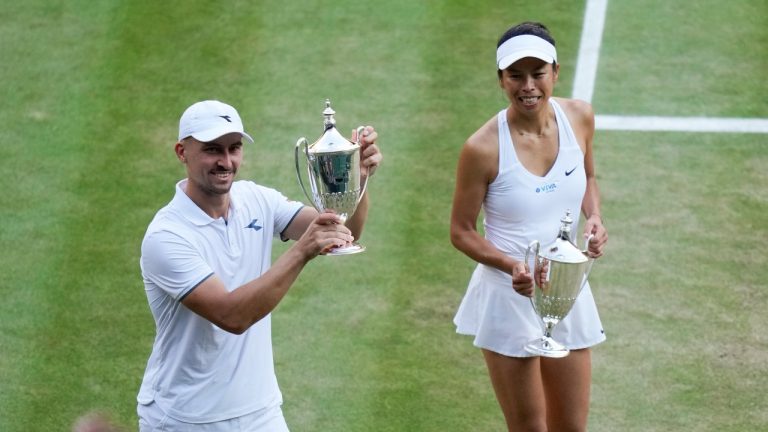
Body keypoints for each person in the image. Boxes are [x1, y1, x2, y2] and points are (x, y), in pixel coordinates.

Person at [137, 100, 381, 431]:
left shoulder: (257, 199)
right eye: (212, 150)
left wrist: (355, 181)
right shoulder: (166, 236)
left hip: (261, 413)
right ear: (182, 152)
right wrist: (301, 251)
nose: (226, 161)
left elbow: (343, 231)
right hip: (185, 419)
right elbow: (232, 316)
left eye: (234, 148)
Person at [450, 22, 608, 431]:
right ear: (500, 79)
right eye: (515, 75)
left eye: (538, 73)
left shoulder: (580, 118)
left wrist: (595, 218)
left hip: (567, 290)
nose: (528, 86)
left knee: (571, 427)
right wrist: (512, 267)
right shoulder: (481, 148)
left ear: (555, 72)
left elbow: (588, 178)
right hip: (509, 295)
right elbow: (461, 230)